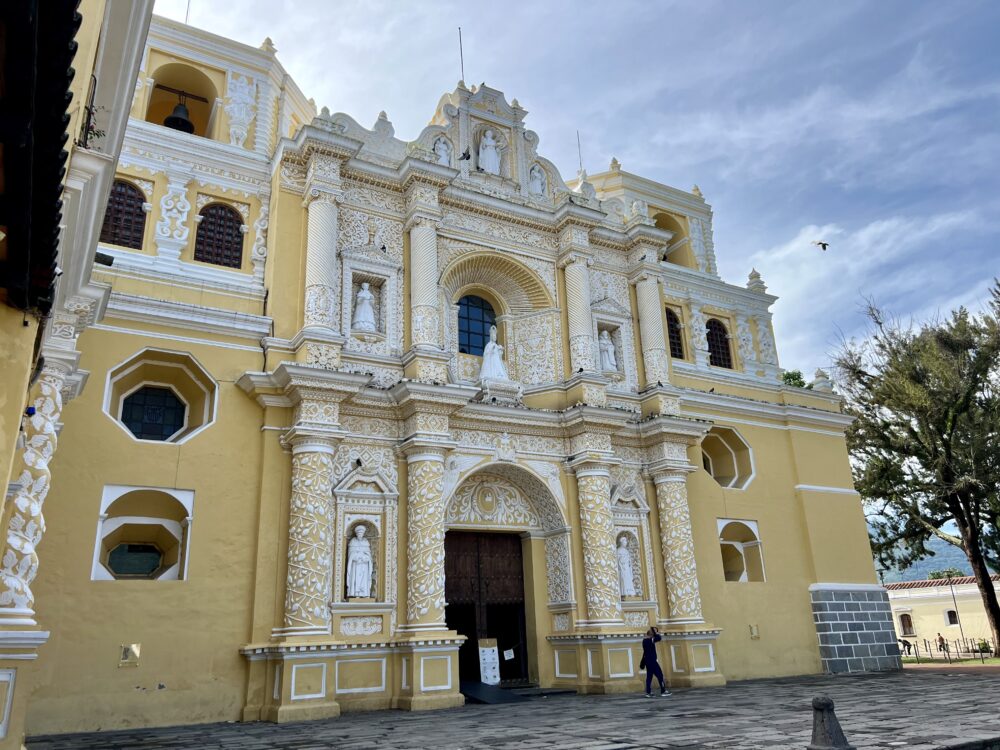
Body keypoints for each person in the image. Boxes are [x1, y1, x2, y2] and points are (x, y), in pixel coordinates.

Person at [640, 626, 670, 697]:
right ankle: (663, 691)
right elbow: (659, 638)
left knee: (649, 677)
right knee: (660, 675)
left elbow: (645, 652)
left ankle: (648, 692)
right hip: (652, 661)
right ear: (652, 634)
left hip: (648, 661)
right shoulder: (650, 640)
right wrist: (655, 632)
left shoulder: (644, 641)